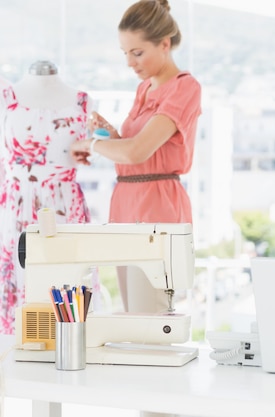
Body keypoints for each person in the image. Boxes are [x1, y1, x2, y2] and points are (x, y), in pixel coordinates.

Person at [70, 0, 202, 315]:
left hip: (157, 206)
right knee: (133, 317)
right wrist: (111, 136)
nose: (130, 62)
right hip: (127, 203)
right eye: (125, 53)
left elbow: (137, 151)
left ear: (165, 44)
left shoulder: (184, 88)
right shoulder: (145, 89)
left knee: (149, 319)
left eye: (138, 52)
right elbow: (131, 149)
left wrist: (91, 145)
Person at [0, 60, 91, 334]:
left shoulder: (81, 101)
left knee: (66, 289)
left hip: (65, 204)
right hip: (16, 206)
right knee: (16, 281)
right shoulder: (6, 97)